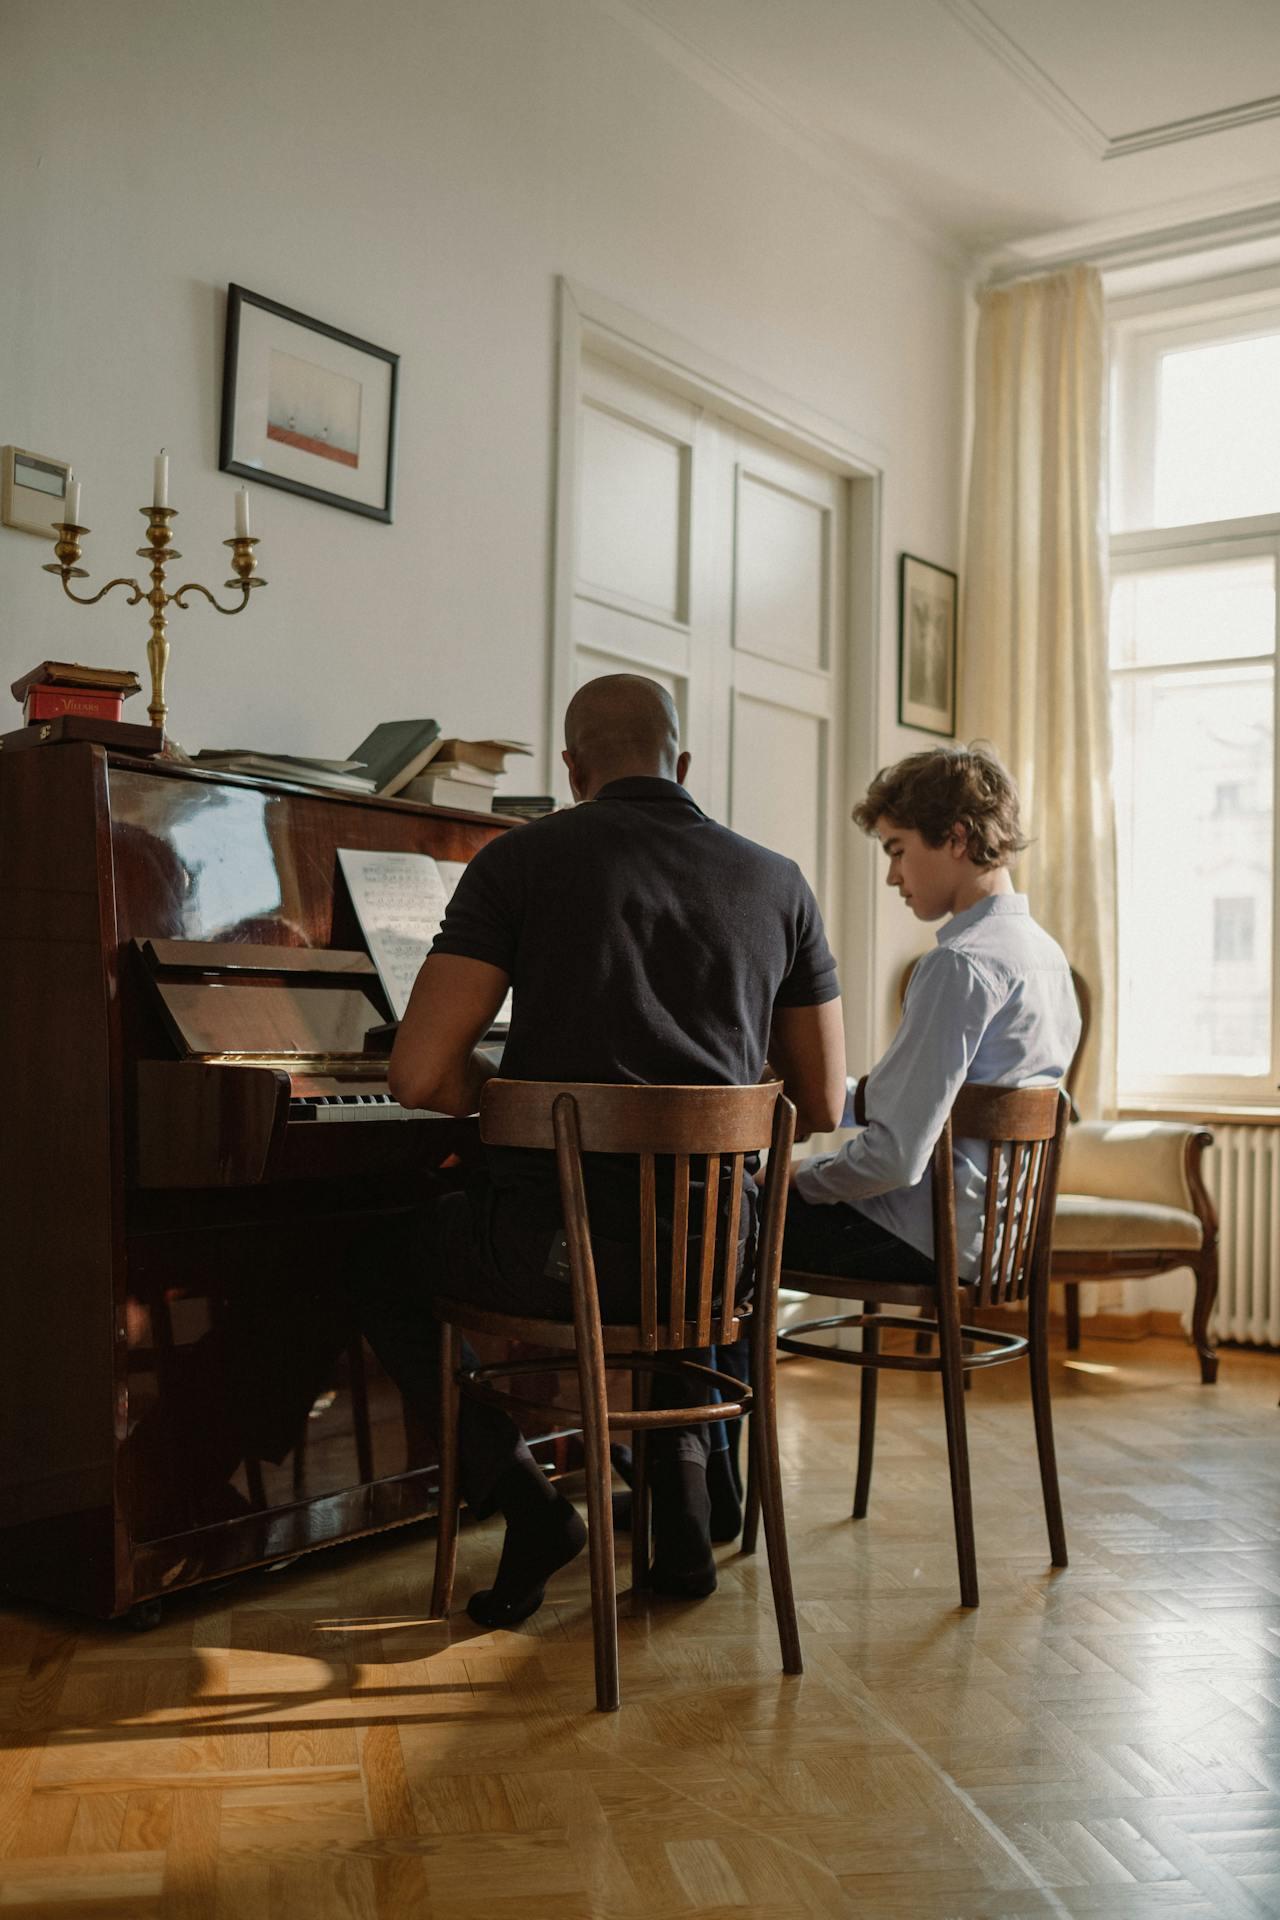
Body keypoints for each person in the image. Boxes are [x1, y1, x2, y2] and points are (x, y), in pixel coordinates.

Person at [381, 673, 846, 1627]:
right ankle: (682, 1519)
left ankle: (526, 1500)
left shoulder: (522, 859)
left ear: (570, 768)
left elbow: (420, 1077)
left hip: (561, 1258)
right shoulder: (779, 881)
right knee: (680, 1219)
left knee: (374, 1257)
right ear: (683, 764)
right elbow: (825, 1101)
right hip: (722, 1261)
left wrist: (529, 1105)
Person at [781, 743, 1081, 1285]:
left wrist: (790, 1176)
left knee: (721, 1226)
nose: (893, 876)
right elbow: (921, 1103)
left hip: (927, 1240)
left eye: (897, 850)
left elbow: (895, 1158)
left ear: (957, 837)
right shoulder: (1049, 960)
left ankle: (717, 1373)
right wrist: (818, 1095)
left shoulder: (958, 965)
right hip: (1002, 1242)